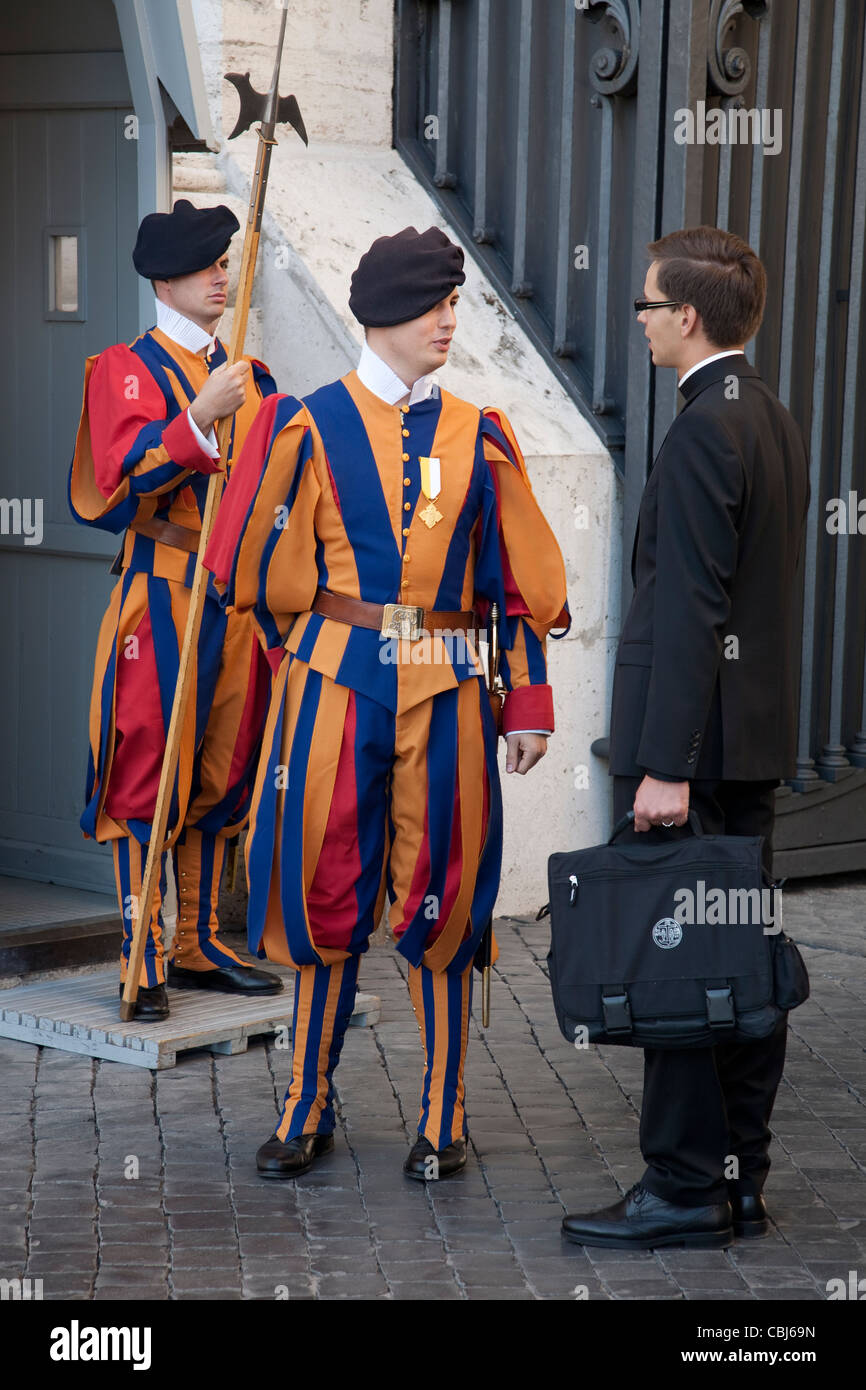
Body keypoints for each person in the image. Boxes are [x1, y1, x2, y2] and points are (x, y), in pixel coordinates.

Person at [205, 225, 569, 1180]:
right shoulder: (306, 424)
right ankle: (306, 1102)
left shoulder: (482, 433)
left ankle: (443, 1113)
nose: (452, 321)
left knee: (443, 899)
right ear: (387, 316)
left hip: (447, 687)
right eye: (435, 306)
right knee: (323, 892)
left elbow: (511, 584)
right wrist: (301, 651)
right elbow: (242, 566)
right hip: (333, 688)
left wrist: (525, 695)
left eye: (454, 304)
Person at [562, 226, 809, 1249]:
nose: (639, 319)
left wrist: (660, 766)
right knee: (735, 962)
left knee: (679, 968)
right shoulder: (766, 414)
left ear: (687, 317)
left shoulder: (709, 424)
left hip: (694, 755)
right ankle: (735, 1179)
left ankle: (679, 1188)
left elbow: (692, 608)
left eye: (645, 305)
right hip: (740, 745)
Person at [69, 199, 283, 1020]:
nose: (221, 276)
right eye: (205, 265)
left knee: (222, 766)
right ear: (165, 279)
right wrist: (197, 418)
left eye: (226, 262)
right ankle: (141, 950)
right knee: (143, 768)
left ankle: (196, 940)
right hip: (157, 588)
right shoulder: (126, 368)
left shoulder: (249, 374)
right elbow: (119, 484)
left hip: (230, 594)